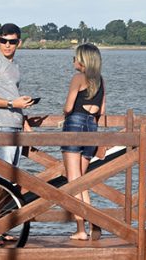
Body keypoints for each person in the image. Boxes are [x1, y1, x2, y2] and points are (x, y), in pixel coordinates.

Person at [62, 43, 106, 241]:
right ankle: (92, 221)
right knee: (82, 181)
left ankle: (81, 229)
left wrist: (64, 114)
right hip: (92, 127)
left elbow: (69, 107)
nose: (73, 61)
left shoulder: (78, 78)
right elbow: (102, 111)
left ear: (83, 61)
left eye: (75, 57)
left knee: (73, 181)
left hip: (75, 123)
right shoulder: (100, 80)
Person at [0, 23, 35, 168]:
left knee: (6, 180)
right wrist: (12, 104)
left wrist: (24, 122)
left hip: (16, 126)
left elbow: (12, 94)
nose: (7, 45)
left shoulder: (15, 65)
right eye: (4, 41)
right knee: (3, 178)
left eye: (12, 42)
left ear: (19, 43)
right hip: (0, 126)